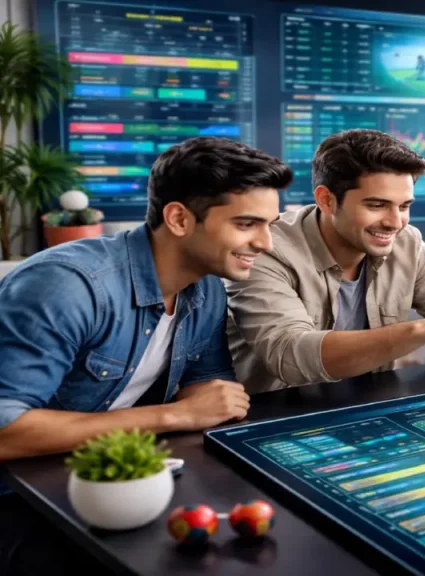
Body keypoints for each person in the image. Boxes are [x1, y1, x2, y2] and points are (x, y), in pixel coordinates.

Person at [0, 136, 293, 574]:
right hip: (21, 503)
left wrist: (199, 408)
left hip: (115, 482)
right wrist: (173, 416)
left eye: (270, 224)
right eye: (247, 223)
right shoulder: (68, 286)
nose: (266, 243)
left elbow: (210, 391)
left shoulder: (207, 287)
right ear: (178, 218)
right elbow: (6, 432)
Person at [226, 129, 425, 394]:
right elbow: (290, 356)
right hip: (271, 417)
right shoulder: (265, 249)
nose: (394, 222)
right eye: (376, 205)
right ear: (326, 199)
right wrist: (420, 331)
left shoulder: (406, 241)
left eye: (404, 206)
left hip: (365, 406)